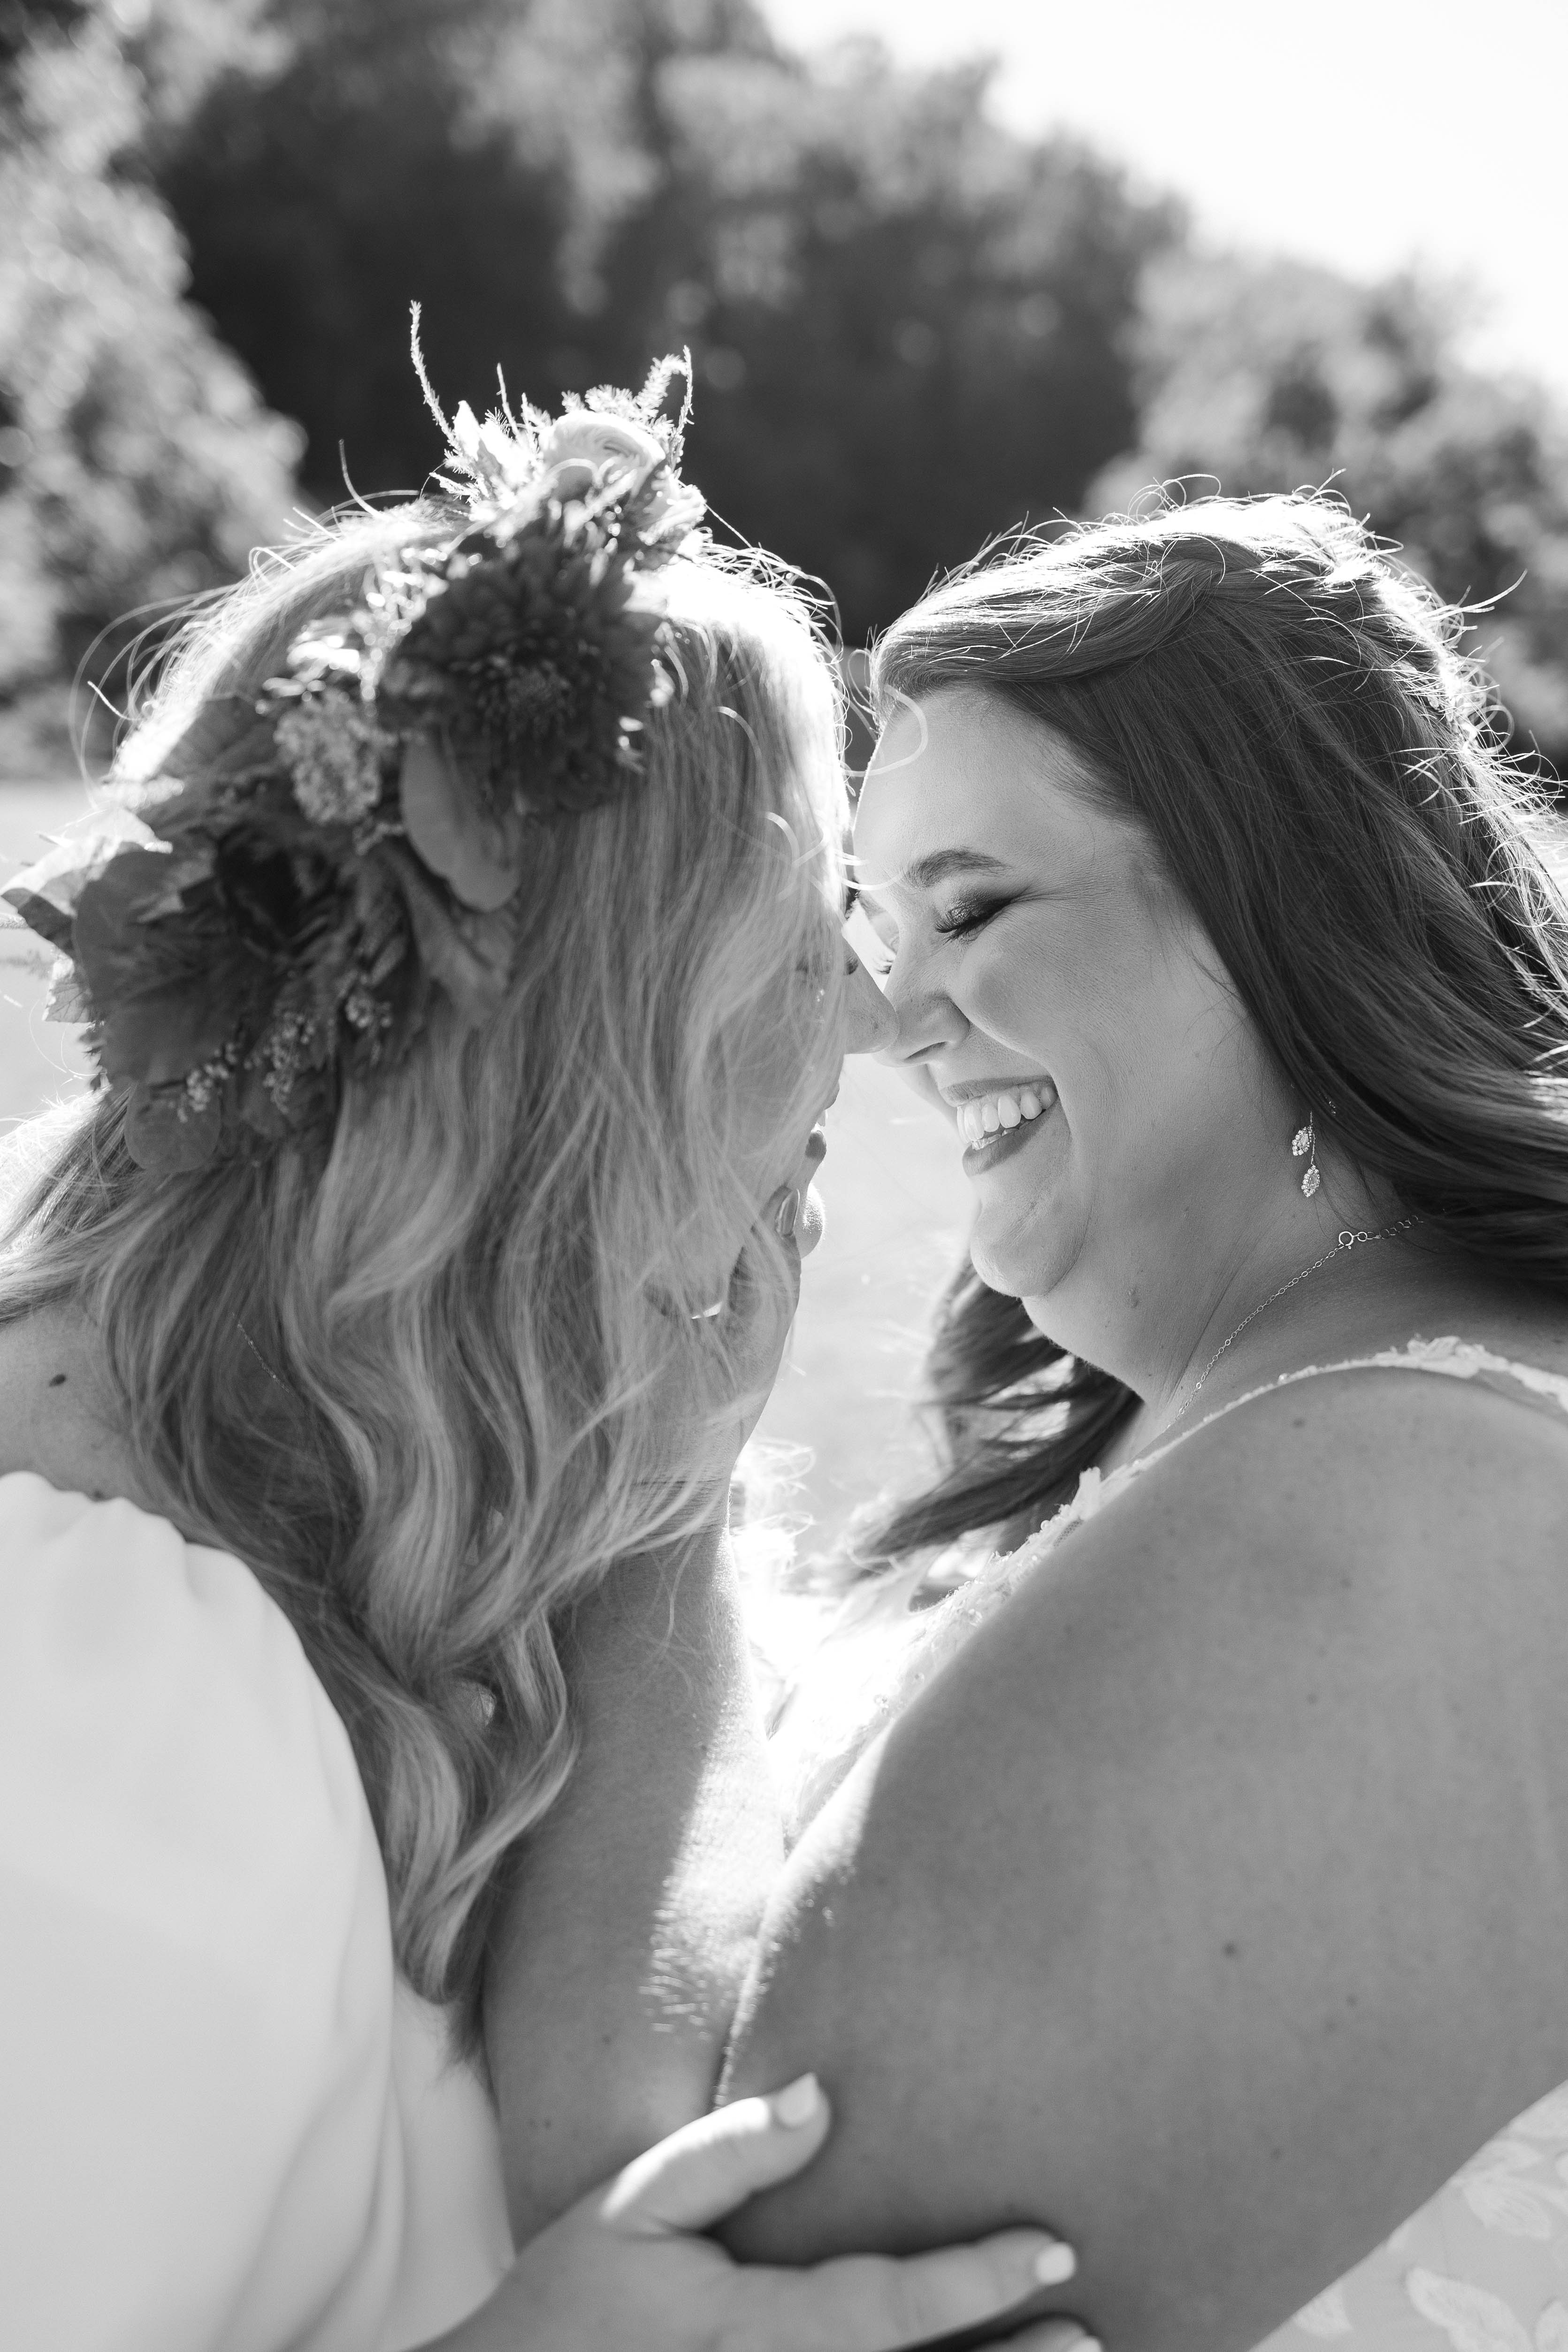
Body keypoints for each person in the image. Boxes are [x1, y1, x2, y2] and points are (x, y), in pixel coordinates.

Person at [0, 364, 1085, 2350]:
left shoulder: (358, 1506)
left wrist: (663, 1476)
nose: (871, 1016)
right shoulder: (75, 1753)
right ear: (576, 1070)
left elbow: (632, 2111)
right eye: (802, 927)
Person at [713, 493, 1568, 2352]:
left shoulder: (1398, 1502)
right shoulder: (1267, 1426)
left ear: (1280, 912)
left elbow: (750, 2245)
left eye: (970, 908)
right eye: (876, 923)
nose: (888, 1017)